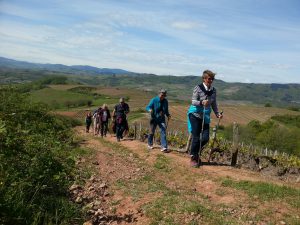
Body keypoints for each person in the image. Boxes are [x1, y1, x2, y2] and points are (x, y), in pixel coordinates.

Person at [187, 70, 223, 167]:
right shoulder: (198, 88)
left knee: (205, 138)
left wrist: (217, 113)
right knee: (196, 136)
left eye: (212, 79)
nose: (210, 80)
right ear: (204, 79)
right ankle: (193, 158)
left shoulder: (214, 90)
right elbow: (193, 101)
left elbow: (213, 103)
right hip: (195, 114)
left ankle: (195, 152)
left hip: (205, 116)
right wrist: (201, 102)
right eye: (209, 79)